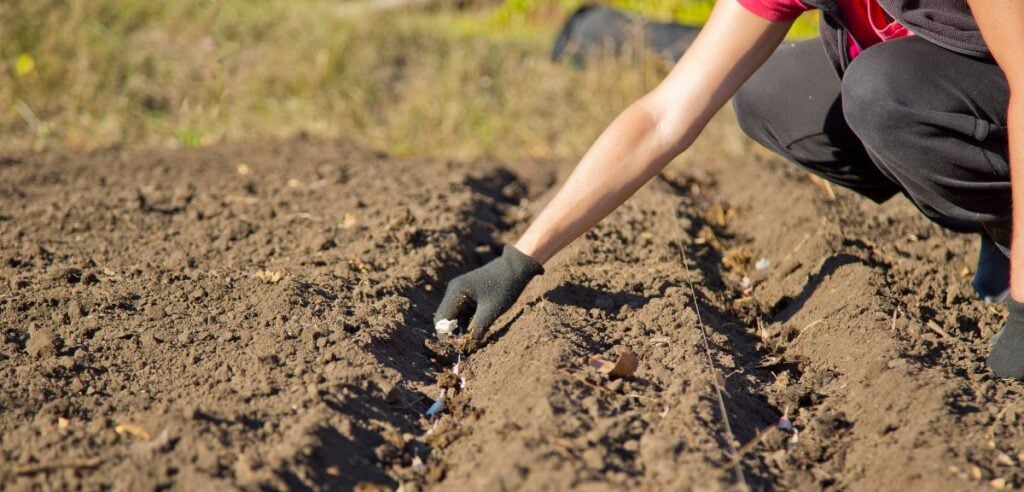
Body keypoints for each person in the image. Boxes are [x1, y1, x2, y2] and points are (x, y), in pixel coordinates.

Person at [434, 0, 1024, 379]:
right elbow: (664, 116)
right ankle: (991, 214)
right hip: (947, 87)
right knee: (774, 94)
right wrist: (520, 258)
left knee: (882, 91)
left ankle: (1008, 239)